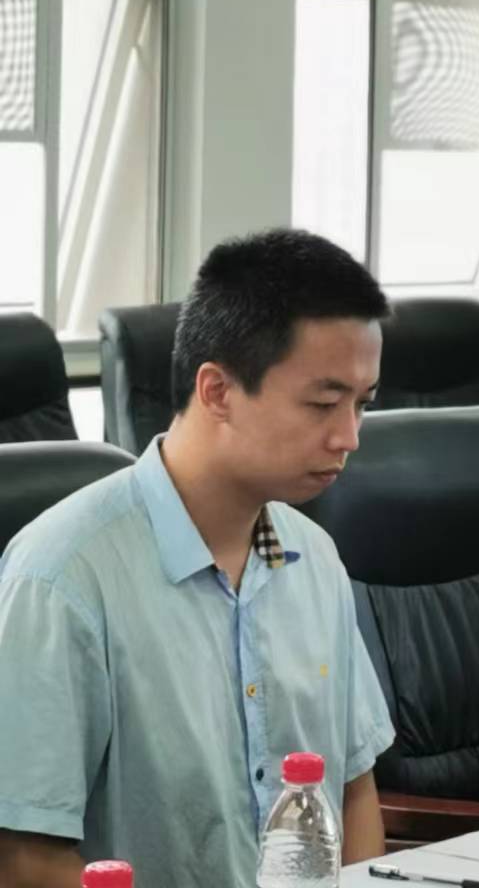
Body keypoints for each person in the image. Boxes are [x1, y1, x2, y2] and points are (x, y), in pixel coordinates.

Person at [0, 229, 395, 888]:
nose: (348, 436)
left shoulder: (315, 558)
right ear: (217, 391)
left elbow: (353, 791)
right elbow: (24, 859)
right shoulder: (64, 578)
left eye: (362, 404)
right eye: (324, 404)